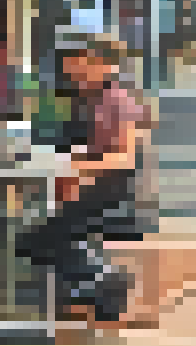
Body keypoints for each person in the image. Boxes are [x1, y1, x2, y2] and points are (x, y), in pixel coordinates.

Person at [20, 32, 153, 325]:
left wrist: (80, 167)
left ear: (106, 65)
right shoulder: (83, 101)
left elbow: (125, 157)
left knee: (37, 239)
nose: (73, 68)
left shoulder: (118, 101)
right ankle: (95, 287)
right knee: (31, 234)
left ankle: (102, 282)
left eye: (82, 61)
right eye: (71, 62)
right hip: (81, 189)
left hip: (111, 195)